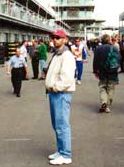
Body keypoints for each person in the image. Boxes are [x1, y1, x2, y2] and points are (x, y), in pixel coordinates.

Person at [45, 29, 76, 165]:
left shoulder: (66, 55)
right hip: (54, 93)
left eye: (58, 37)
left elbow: (67, 78)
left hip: (61, 94)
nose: (55, 39)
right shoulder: (58, 54)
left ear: (64, 40)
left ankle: (66, 154)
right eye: (53, 37)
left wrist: (55, 87)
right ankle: (61, 150)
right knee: (57, 124)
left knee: (62, 124)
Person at [93, 34, 120, 113]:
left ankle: (104, 102)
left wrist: (95, 71)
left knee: (102, 88)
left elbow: (95, 61)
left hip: (102, 72)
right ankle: (107, 104)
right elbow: (119, 59)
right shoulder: (114, 48)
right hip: (112, 72)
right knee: (110, 88)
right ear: (109, 40)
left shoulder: (98, 49)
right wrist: (116, 68)